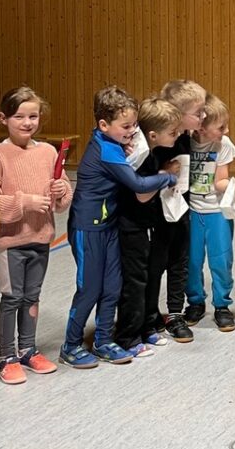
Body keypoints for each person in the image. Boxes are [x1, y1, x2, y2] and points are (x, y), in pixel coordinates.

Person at [60, 86, 178, 368]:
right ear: (104, 125)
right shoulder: (106, 150)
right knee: (89, 288)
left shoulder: (110, 142)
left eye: (134, 124)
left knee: (112, 286)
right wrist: (167, 178)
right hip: (88, 229)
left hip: (109, 227)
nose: (132, 130)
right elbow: (137, 184)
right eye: (126, 126)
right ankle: (71, 345)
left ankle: (103, 340)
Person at [0, 86, 72, 383]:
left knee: (32, 296)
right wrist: (23, 203)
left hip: (41, 238)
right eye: (19, 116)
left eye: (33, 116)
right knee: (11, 298)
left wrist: (63, 191)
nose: (27, 122)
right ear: (3, 118)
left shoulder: (48, 152)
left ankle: (27, 349)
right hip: (11, 243)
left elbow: (61, 199)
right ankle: (5, 356)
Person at [114, 97, 183, 355]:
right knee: (134, 281)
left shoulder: (150, 151)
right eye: (172, 132)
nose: (177, 136)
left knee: (147, 276)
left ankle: (145, 327)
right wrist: (166, 176)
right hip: (130, 226)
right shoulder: (141, 154)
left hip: (143, 225)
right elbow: (141, 194)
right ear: (153, 134)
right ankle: (128, 337)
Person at [152, 79, 206, 343]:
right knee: (155, 265)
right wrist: (162, 173)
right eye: (197, 113)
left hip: (181, 210)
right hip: (157, 214)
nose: (203, 117)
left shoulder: (186, 139)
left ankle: (174, 313)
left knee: (179, 263)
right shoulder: (159, 141)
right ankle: (150, 313)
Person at [184, 93, 235, 332]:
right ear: (202, 127)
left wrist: (233, 185)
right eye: (221, 127)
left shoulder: (223, 145)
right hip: (192, 212)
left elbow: (220, 181)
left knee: (221, 260)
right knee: (192, 261)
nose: (226, 131)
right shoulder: (185, 141)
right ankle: (195, 302)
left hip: (217, 212)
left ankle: (222, 305)